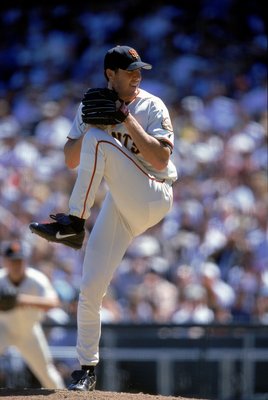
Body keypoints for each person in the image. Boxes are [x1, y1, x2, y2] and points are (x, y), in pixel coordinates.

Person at [29, 45, 178, 391]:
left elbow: (159, 159)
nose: (138, 75)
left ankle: (74, 224)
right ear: (110, 74)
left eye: (140, 69)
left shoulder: (151, 105)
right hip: (121, 204)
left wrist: (125, 118)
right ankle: (87, 368)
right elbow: (69, 158)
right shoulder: (90, 103)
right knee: (90, 286)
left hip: (153, 193)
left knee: (97, 139)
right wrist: (90, 125)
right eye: (130, 70)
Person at [0, 239, 65, 389]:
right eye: (12, 261)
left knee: (47, 373)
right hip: (3, 329)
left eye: (19, 261)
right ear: (5, 261)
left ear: (25, 261)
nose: (16, 265)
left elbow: (53, 303)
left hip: (29, 332)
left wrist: (20, 300)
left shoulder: (37, 279)